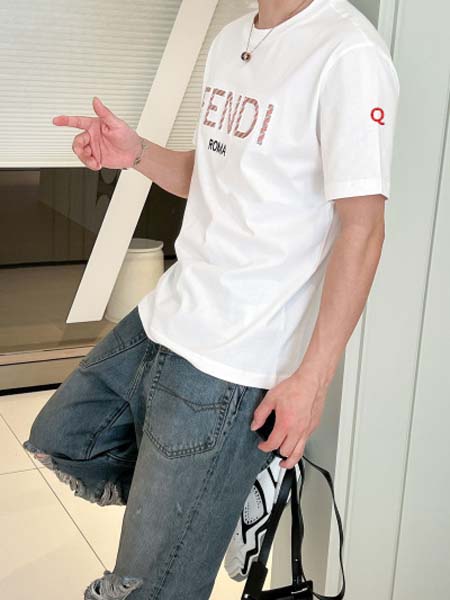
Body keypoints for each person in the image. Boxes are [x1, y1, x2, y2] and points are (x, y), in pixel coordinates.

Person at [23, 0, 400, 598]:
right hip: (171, 310)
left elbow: (364, 229)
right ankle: (221, 491)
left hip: (236, 358)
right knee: (65, 437)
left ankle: (212, 488)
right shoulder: (230, 40)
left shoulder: (348, 53)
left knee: (147, 587)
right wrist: (135, 154)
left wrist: (312, 382)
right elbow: (216, 174)